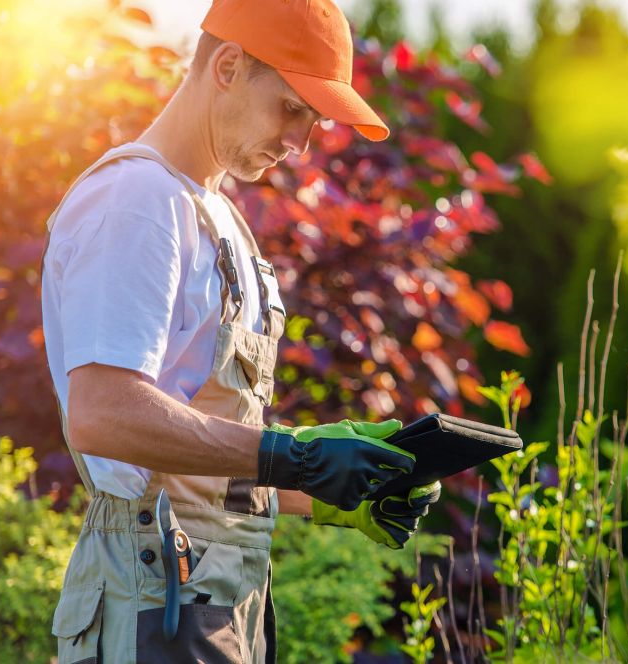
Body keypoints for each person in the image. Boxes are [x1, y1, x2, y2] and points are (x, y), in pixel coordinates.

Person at [40, 1, 441, 662]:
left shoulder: (220, 219)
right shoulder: (138, 202)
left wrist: (331, 493)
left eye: (311, 122)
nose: (299, 144)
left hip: (221, 595)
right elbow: (102, 413)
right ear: (227, 66)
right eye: (291, 109)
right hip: (156, 601)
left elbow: (207, 469)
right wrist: (297, 455)